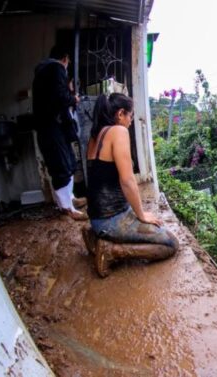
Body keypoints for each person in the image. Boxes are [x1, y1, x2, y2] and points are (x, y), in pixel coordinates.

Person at [81, 93, 179, 277]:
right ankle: (111, 251)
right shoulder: (118, 132)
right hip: (111, 219)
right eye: (131, 116)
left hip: (96, 217)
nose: (131, 121)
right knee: (170, 244)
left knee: (149, 227)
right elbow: (127, 181)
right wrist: (141, 215)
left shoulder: (96, 136)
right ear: (120, 114)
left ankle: (95, 234)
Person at [33, 45, 87, 220]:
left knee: (67, 163)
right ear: (65, 58)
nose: (68, 64)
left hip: (50, 127)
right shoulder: (56, 68)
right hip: (52, 127)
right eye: (69, 61)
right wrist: (74, 98)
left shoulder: (43, 72)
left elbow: (53, 96)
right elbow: (59, 98)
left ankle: (69, 200)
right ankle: (67, 208)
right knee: (62, 166)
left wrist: (67, 89)